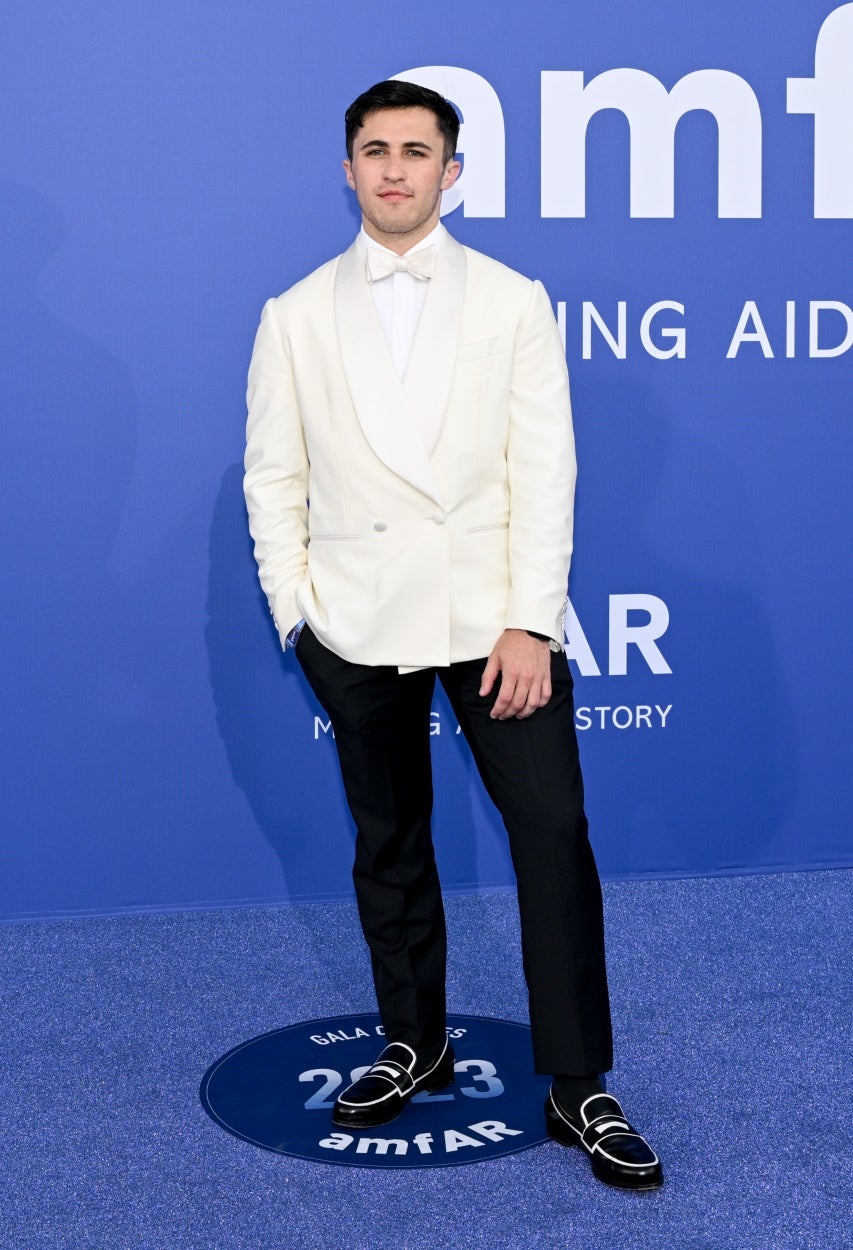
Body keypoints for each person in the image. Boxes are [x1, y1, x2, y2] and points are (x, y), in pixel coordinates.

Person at [244, 79, 662, 1191]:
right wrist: (300, 618)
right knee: (389, 840)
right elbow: (273, 479)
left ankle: (578, 1084)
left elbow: (546, 469)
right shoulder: (294, 314)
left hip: (493, 623)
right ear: (347, 169)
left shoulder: (513, 300)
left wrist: (529, 619)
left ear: (451, 171)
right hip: (358, 622)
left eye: (416, 151)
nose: (395, 169)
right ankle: (413, 1039)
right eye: (375, 149)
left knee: (552, 833)